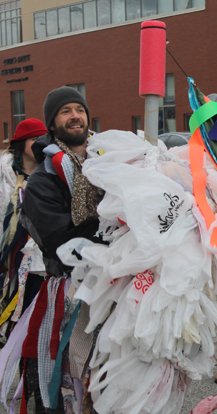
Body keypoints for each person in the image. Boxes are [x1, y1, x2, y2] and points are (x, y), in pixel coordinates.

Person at [19, 86, 104, 413]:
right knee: (70, 385)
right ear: (52, 124)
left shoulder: (109, 161)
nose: (75, 116)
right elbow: (59, 241)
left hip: (118, 293)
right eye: (65, 111)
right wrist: (113, 233)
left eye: (79, 110)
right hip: (71, 294)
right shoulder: (43, 180)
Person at [0, 119, 48, 343]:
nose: (40, 144)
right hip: (10, 261)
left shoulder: (52, 174)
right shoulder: (5, 176)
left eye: (43, 139)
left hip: (42, 265)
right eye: (34, 140)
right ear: (20, 145)